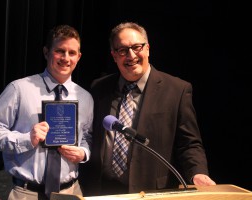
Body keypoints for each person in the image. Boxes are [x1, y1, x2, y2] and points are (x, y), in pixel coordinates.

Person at [79, 22, 216, 196]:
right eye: (122, 50)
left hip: (150, 191)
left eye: (137, 47)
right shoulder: (99, 88)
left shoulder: (176, 90)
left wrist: (198, 172)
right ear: (114, 55)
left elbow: (189, 143)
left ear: (148, 49)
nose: (131, 55)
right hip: (102, 190)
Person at [0, 25, 93, 200]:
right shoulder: (19, 89)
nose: (66, 58)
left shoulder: (85, 97)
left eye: (72, 53)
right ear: (46, 52)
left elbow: (87, 137)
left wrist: (84, 153)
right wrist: (26, 139)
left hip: (70, 192)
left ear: (79, 56)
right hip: (26, 193)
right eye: (60, 51)